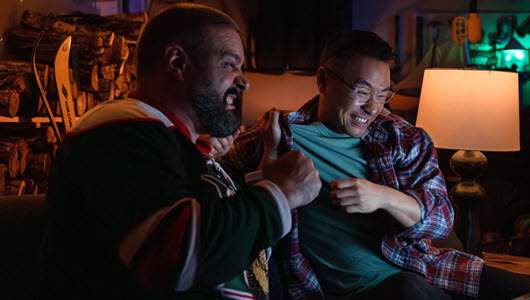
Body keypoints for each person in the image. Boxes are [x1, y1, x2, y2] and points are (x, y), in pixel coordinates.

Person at [218, 30, 530, 299]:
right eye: (362, 90)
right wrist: (246, 152)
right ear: (323, 80)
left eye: (383, 94)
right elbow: (214, 188)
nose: (372, 107)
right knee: (407, 290)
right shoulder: (273, 135)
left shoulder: (403, 138)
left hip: (428, 266)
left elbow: (442, 220)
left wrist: (383, 197)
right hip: (359, 290)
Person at [39, 3, 321, 300]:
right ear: (176, 62)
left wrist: (267, 172)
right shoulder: (120, 128)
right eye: (228, 64)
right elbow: (178, 261)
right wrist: (279, 192)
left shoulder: (181, 147)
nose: (243, 80)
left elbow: (243, 254)